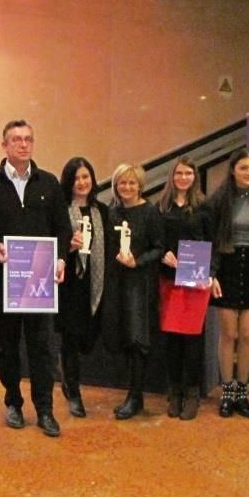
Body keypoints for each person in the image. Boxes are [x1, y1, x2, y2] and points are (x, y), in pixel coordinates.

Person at [0, 119, 71, 438]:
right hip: (6, 280)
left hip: (41, 282)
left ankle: (45, 409)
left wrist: (60, 258)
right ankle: (13, 402)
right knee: (8, 347)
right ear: (4, 145)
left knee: (42, 346)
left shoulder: (49, 183)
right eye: (16, 139)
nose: (23, 144)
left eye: (28, 139)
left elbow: (62, 228)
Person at [206, 149, 249, 418]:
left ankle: (242, 393)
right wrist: (212, 273)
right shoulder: (219, 200)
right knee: (229, 334)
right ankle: (227, 392)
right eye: (244, 168)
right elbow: (212, 240)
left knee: (246, 334)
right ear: (233, 170)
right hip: (227, 266)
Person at [101, 163, 165, 420]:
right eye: (122, 183)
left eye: (132, 183)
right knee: (123, 336)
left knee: (138, 338)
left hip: (139, 283)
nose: (127, 187)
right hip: (116, 282)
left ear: (140, 186)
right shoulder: (111, 213)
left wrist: (137, 262)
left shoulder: (150, 212)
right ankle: (131, 392)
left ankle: (136, 396)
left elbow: (159, 248)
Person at [157, 157, 212, 420]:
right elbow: (155, 242)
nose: (183, 177)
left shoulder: (204, 207)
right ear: (172, 176)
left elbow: (214, 242)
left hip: (196, 282)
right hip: (169, 280)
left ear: (195, 176)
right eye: (179, 173)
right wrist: (163, 255)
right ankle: (175, 391)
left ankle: (192, 393)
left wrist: (212, 273)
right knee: (172, 340)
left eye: (188, 173)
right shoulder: (162, 208)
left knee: (192, 340)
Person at [55, 157, 109, 418]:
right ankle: (73, 390)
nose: (81, 182)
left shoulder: (103, 211)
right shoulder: (60, 211)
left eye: (85, 177)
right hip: (69, 285)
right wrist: (68, 246)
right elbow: (51, 243)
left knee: (88, 339)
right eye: (76, 178)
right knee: (71, 338)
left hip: (95, 283)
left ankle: (68, 377)